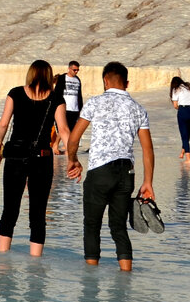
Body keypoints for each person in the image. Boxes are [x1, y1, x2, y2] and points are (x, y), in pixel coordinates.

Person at [66, 62, 155, 272]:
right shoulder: (138, 109)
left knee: (92, 226)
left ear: (105, 81)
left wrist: (73, 160)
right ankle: (126, 275)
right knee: (119, 228)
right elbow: (148, 150)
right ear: (127, 83)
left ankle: (90, 283)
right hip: (127, 173)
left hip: (100, 171)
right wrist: (148, 182)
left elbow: (73, 138)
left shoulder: (95, 102)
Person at [0, 60, 71, 257]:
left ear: (31, 74)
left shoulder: (15, 93)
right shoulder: (57, 98)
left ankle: (3, 258)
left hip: (15, 156)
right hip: (42, 158)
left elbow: (3, 123)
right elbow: (64, 131)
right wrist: (72, 158)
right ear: (49, 76)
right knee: (38, 213)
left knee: (10, 209)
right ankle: (35, 263)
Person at [53, 60, 83, 154]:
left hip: (74, 109)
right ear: (69, 68)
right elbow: (57, 93)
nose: (76, 72)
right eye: (74, 70)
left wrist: (80, 107)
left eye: (77, 70)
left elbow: (79, 95)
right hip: (64, 108)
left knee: (71, 129)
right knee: (63, 128)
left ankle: (60, 146)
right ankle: (61, 147)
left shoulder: (77, 79)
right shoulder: (62, 78)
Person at [170, 76, 190, 163]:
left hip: (183, 111)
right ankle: (182, 152)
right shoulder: (189, 86)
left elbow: (175, 105)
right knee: (187, 133)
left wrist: (181, 109)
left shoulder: (176, 89)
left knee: (184, 135)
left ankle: (188, 159)